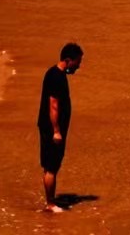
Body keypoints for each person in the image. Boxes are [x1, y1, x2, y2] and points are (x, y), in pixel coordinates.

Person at [37, 42, 83, 214]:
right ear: (68, 60)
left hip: (51, 127)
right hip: (51, 129)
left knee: (52, 165)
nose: (78, 66)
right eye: (77, 62)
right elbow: (53, 105)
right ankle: (50, 204)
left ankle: (51, 199)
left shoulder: (54, 73)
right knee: (51, 166)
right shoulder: (57, 77)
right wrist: (56, 131)